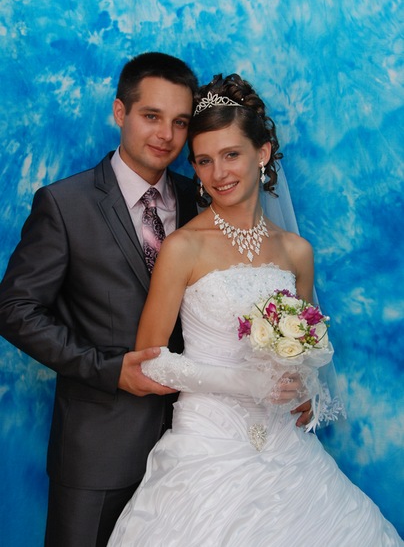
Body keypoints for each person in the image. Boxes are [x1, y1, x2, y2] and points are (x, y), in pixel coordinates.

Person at [107, 74, 403, 546]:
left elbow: (307, 346)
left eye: (231, 155)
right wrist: (245, 382)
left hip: (286, 448)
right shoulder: (183, 247)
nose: (218, 173)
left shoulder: (296, 251)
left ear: (262, 153)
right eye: (204, 161)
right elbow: (151, 359)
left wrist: (303, 389)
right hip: (208, 446)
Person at [0, 52, 200, 547]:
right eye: (151, 116)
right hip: (96, 450)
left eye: (180, 122)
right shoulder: (63, 204)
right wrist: (108, 369)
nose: (166, 135)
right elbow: (15, 309)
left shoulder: (201, 200)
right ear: (119, 111)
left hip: (192, 447)